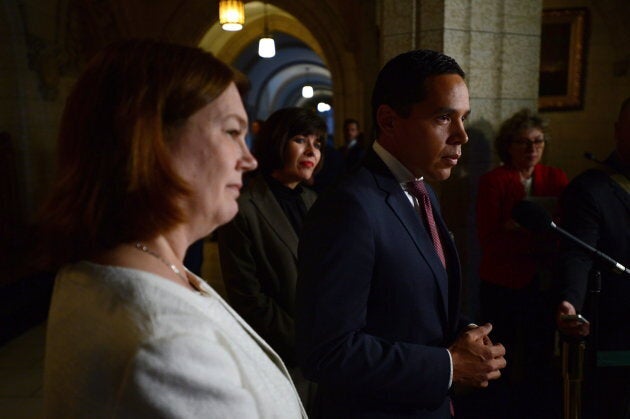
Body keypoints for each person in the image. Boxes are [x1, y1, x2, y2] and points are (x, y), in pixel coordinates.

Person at [38, 39, 305, 418]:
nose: (248, 159)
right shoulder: (165, 345)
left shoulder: (119, 265)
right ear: (154, 142)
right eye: (232, 132)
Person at [296, 49, 506, 418]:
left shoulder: (421, 192)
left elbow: (415, 307)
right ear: (389, 121)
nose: (461, 136)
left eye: (463, 118)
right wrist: (448, 366)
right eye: (444, 117)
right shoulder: (349, 207)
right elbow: (326, 352)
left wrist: (468, 337)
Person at [217, 107, 326, 409]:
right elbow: (248, 299)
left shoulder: (313, 201)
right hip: (284, 360)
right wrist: (305, 344)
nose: (311, 151)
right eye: (301, 140)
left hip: (329, 357)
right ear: (277, 142)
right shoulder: (244, 208)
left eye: (318, 144)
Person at [475, 108, 568, 417]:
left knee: (540, 351)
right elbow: (489, 237)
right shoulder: (493, 181)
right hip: (502, 281)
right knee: (504, 352)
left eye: (538, 141)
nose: (532, 149)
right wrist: (535, 236)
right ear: (508, 146)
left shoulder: (556, 178)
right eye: (524, 142)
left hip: (541, 282)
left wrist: (517, 230)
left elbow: (563, 233)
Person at [556, 97, 630, 419]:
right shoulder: (591, 189)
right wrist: (571, 301)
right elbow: (578, 254)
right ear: (618, 131)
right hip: (618, 338)